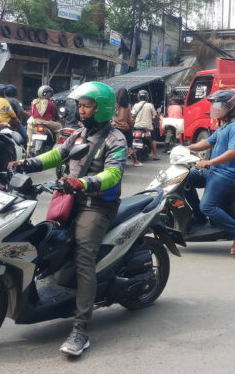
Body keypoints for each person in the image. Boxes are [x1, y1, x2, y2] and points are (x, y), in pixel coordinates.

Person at [11, 82, 127, 357]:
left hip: (97, 206)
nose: (82, 111)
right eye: (81, 105)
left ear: (102, 109)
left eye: (87, 106)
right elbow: (57, 155)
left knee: (83, 257)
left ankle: (81, 329)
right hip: (71, 199)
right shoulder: (77, 134)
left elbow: (114, 174)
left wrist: (82, 183)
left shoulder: (116, 140)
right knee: (46, 239)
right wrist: (28, 163)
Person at [184, 90, 235, 255]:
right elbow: (207, 142)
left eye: (219, 105)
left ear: (231, 107)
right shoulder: (223, 126)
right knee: (185, 179)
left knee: (207, 206)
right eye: (214, 105)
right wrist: (186, 148)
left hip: (228, 174)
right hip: (215, 171)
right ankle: (198, 216)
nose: (215, 108)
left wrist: (208, 162)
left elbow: (234, 152)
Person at [132, 89, 159, 161]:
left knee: (131, 138)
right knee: (153, 139)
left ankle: (129, 153)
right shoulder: (150, 105)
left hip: (136, 126)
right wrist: (157, 117)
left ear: (138, 97)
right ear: (147, 97)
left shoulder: (135, 105)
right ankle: (155, 155)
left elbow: (132, 115)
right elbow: (155, 116)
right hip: (147, 127)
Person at [111, 87, 135, 164]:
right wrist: (132, 125)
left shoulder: (114, 104)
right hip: (123, 128)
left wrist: (114, 121)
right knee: (130, 141)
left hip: (113, 127)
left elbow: (112, 114)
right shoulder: (127, 105)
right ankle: (131, 152)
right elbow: (129, 119)